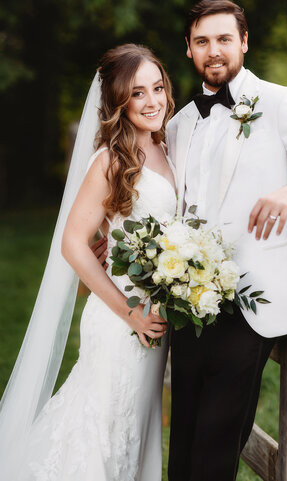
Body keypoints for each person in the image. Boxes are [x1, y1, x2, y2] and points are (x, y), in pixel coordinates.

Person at [166, 0, 287, 481]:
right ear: (189, 50)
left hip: (251, 301)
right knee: (185, 431)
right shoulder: (178, 124)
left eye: (224, 39)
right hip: (187, 299)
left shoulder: (278, 101)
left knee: (217, 439)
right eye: (202, 41)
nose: (214, 51)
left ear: (244, 43)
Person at [0, 44, 176, 481]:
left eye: (158, 88)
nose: (153, 101)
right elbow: (74, 244)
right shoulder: (111, 160)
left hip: (156, 319)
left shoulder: (167, 146)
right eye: (138, 93)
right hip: (121, 321)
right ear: (119, 101)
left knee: (132, 430)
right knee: (101, 432)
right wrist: (130, 313)